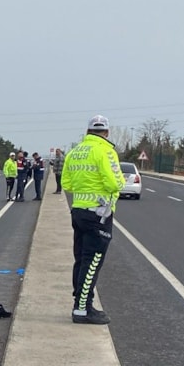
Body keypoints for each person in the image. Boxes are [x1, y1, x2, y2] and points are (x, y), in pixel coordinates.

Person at [61, 115, 125, 325]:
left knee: (81, 259)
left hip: (78, 210)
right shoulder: (106, 151)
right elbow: (115, 183)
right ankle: (82, 309)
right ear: (106, 132)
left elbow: (66, 184)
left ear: (88, 131)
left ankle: (80, 302)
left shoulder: (75, 152)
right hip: (99, 213)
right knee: (92, 261)